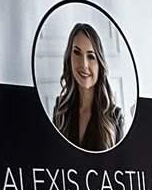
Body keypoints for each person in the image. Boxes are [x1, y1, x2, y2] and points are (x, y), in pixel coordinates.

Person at [51, 19, 124, 149]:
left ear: (99, 64)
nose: (84, 65)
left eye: (91, 56)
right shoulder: (60, 110)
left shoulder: (115, 116)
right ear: (69, 57)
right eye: (77, 53)